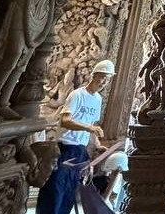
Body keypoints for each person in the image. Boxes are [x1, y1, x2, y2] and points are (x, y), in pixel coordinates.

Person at [37, 59, 116, 214]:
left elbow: (91, 123)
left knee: (69, 193)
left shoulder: (98, 99)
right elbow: (65, 120)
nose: (104, 82)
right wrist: (89, 128)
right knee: (54, 191)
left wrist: (97, 144)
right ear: (93, 75)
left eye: (107, 79)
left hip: (80, 151)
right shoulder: (77, 95)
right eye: (102, 77)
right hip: (64, 149)